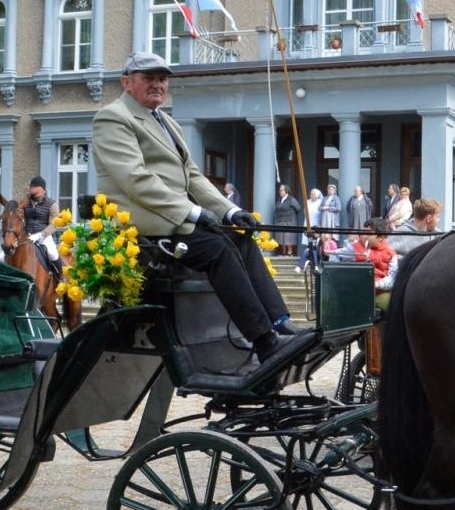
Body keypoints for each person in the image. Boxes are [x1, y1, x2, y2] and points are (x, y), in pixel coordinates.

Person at [92, 51, 307, 362]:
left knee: (240, 237)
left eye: (162, 79)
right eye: (148, 78)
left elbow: (192, 176)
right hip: (144, 227)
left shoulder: (166, 121)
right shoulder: (113, 117)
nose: (158, 85)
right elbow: (135, 179)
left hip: (175, 221)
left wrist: (229, 212)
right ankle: (264, 341)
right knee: (217, 248)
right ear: (126, 82)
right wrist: (192, 212)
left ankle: (280, 323)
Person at [20, 176, 62, 277]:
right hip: (27, 235)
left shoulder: (52, 204)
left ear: (40, 188)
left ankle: (60, 276)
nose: (29, 188)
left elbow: (54, 224)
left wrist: (40, 235)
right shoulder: (25, 202)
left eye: (31, 187)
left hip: (44, 236)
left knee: (53, 254)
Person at [274, 184, 303, 258]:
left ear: (286, 191)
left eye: (281, 190)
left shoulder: (291, 199)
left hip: (289, 221)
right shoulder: (279, 200)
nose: (279, 192)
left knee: (288, 237)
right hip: (280, 220)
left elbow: (298, 208)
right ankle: (283, 252)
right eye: (279, 190)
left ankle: (290, 252)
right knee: (281, 236)